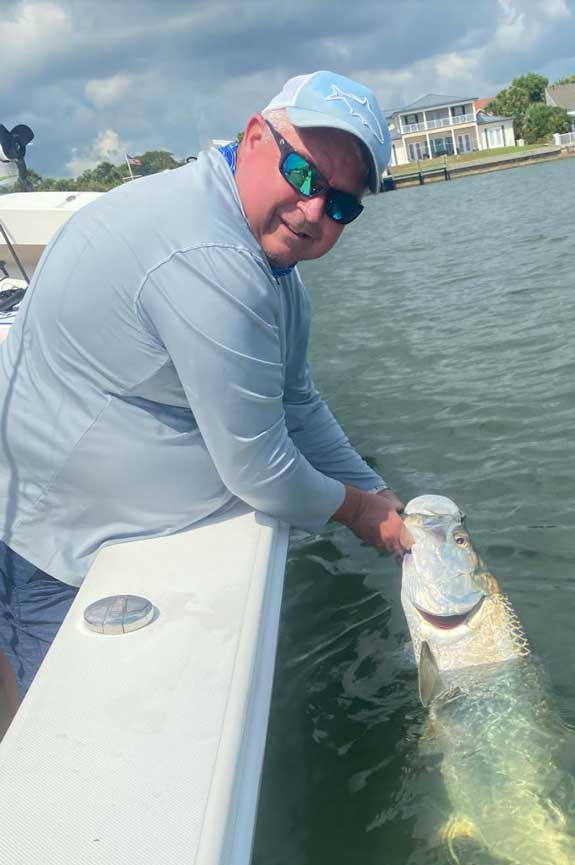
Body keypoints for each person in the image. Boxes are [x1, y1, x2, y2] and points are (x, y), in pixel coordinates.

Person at [0, 70, 414, 709]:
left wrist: (379, 493)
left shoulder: (273, 269)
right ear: (253, 138)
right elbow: (261, 469)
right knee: (63, 731)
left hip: (81, 516)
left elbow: (297, 401)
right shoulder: (210, 253)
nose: (313, 212)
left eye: (341, 206)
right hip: (55, 542)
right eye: (304, 176)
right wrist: (362, 514)